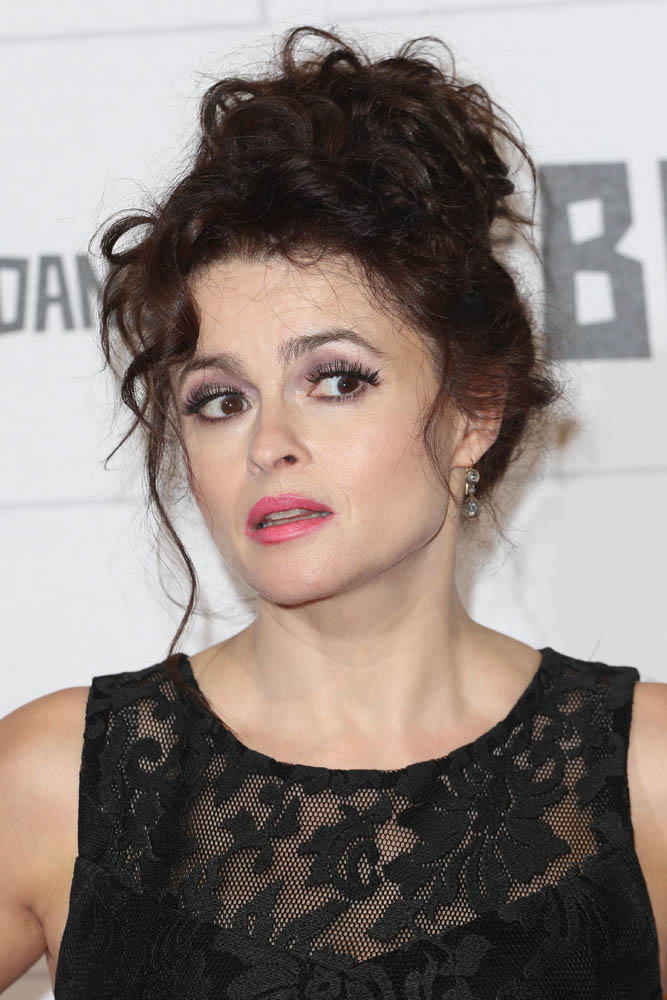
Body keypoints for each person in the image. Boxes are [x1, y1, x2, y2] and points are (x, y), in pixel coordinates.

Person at [0, 24, 665, 999]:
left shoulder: (644, 778)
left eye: (336, 379)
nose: (267, 441)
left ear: (473, 410)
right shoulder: (59, 782)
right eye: (219, 399)